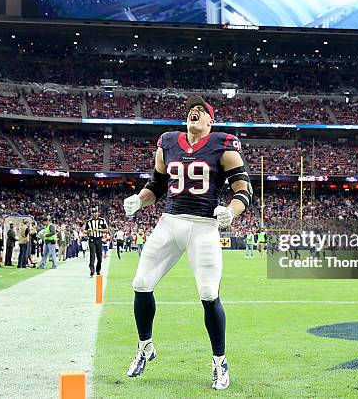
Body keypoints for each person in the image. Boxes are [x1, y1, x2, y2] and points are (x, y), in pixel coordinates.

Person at [122, 95, 252, 390]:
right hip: (170, 222)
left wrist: (230, 212)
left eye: (202, 110)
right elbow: (155, 185)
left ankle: (219, 361)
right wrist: (139, 201)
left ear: (210, 121)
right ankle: (145, 346)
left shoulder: (223, 144)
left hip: (204, 226)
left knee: (208, 292)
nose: (195, 111)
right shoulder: (168, 141)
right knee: (141, 284)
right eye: (192, 109)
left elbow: (243, 190)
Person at [85, 208, 108, 277]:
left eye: (96, 212)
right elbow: (85, 231)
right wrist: (88, 231)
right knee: (92, 255)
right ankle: (92, 270)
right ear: (91, 213)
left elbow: (106, 230)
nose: (95, 214)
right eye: (93, 212)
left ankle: (98, 270)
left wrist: (98, 230)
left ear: (98, 213)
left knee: (99, 257)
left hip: (99, 239)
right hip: (91, 239)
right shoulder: (89, 221)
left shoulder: (102, 220)